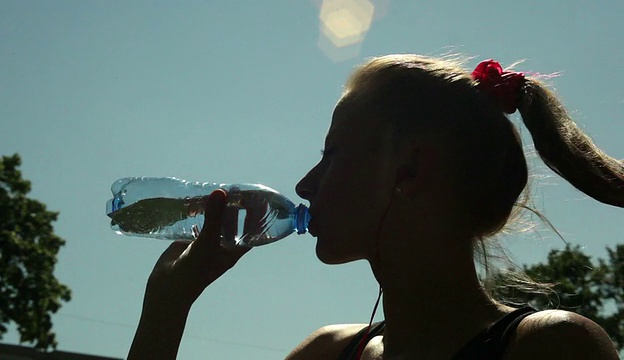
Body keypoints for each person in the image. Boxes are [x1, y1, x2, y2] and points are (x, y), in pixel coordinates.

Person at [127, 55, 621, 359]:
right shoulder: (325, 352)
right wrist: (166, 309)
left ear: (407, 169)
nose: (303, 186)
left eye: (332, 154)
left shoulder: (550, 347)